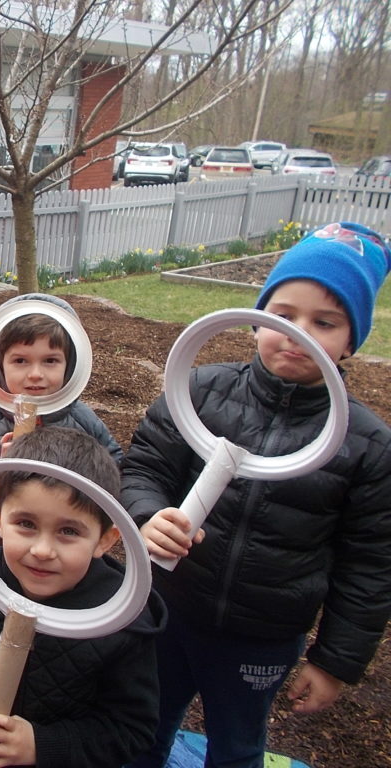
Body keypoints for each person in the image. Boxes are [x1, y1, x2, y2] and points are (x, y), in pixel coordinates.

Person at [121, 221, 391, 768]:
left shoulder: (367, 446)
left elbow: (370, 566)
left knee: (238, 746)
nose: (296, 333)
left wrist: (335, 661)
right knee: (143, 728)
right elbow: (144, 466)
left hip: (263, 636)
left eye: (325, 322)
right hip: (170, 609)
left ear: (352, 340)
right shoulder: (199, 390)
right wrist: (147, 515)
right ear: (256, 318)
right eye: (283, 315)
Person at [0, 427, 165, 768]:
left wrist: (42, 745)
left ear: (105, 540)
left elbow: (130, 728)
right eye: (26, 524)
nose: (42, 550)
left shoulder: (121, 624)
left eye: (69, 531)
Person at [0, 293, 123, 552]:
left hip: (62, 549)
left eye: (50, 360)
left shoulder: (83, 422)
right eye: (20, 361)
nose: (36, 374)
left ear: (69, 364)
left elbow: (114, 476)